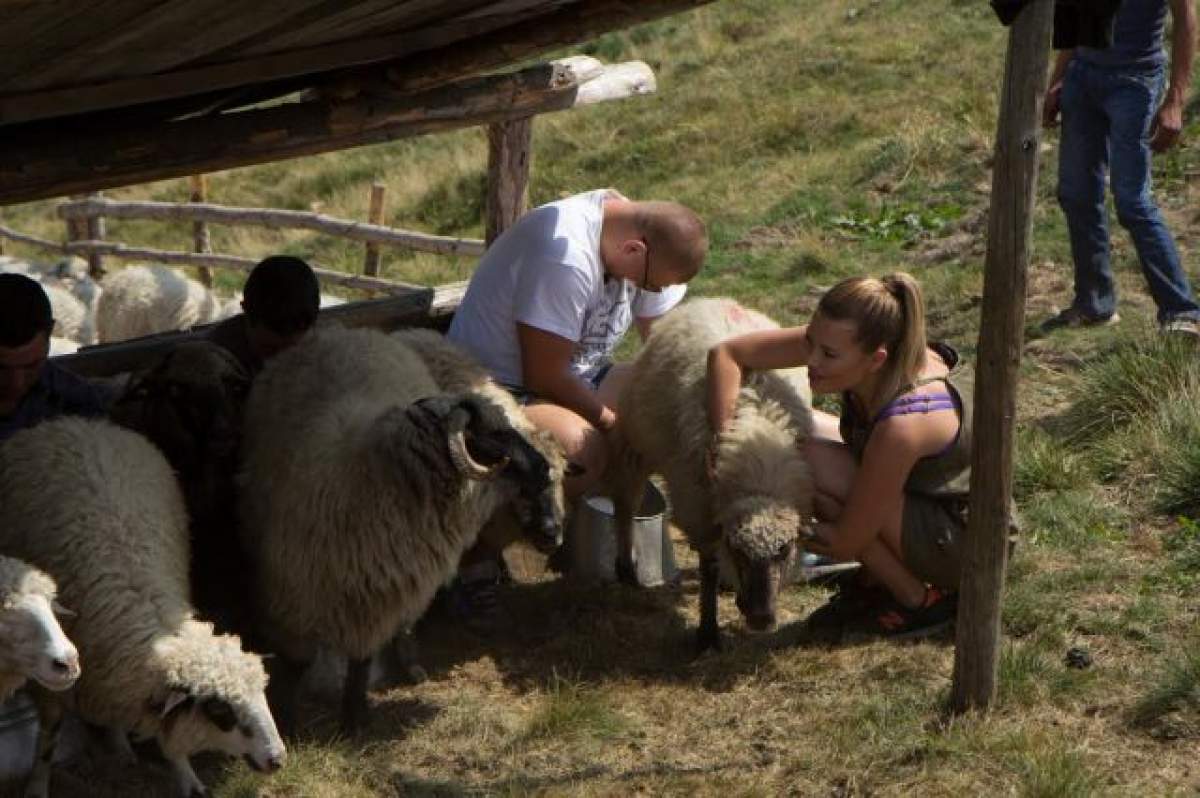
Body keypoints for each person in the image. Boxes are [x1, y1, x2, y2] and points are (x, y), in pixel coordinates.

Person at [444, 188, 708, 627]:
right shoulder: (564, 256)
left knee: (669, 409)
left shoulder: (635, 235)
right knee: (580, 451)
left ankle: (583, 540)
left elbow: (660, 344)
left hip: (576, 375)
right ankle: (470, 563)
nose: (649, 292)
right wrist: (610, 423)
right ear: (633, 250)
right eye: (649, 284)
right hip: (498, 386)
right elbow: (543, 374)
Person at [707, 274, 968, 640]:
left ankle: (920, 599)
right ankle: (876, 579)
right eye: (809, 342)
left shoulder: (905, 424)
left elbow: (844, 541)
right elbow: (727, 354)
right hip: (922, 493)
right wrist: (725, 443)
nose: (809, 359)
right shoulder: (859, 344)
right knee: (789, 449)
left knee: (803, 475)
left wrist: (772, 536)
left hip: (961, 543)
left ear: (876, 359)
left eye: (827, 355)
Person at [1041, 0, 1200, 335]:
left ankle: (1181, 311)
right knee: (1076, 194)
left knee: (1132, 201)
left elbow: (1186, 21)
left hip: (1136, 81)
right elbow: (1079, 20)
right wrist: (1058, 80)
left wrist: (1175, 101)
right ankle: (1094, 303)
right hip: (1083, 78)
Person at [0, 273, 111, 443]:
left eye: (31, 366)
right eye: (1, 368)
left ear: (50, 332)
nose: (17, 383)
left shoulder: (78, 405)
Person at [206, 255, 321, 376]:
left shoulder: (322, 348)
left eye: (292, 349)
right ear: (245, 311)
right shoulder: (216, 363)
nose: (280, 361)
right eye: (269, 349)